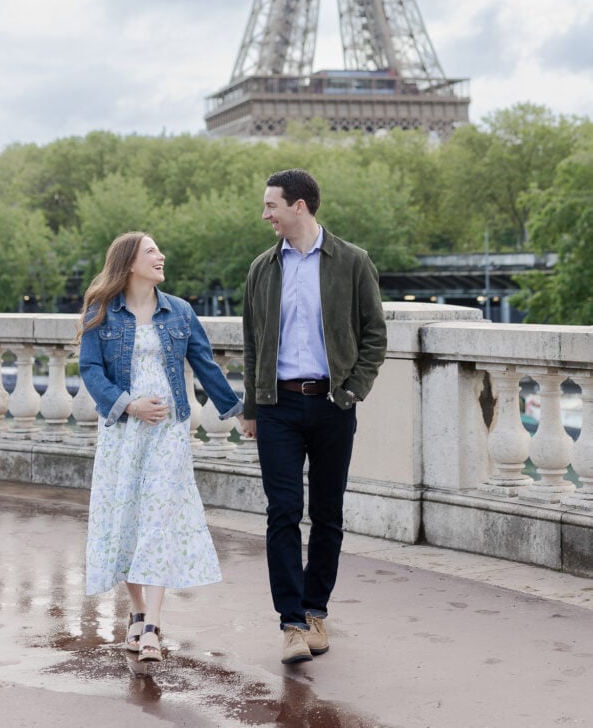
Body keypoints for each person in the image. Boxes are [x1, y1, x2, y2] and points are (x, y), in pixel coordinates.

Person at [239, 169, 387, 665]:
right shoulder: (262, 268)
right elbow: (253, 341)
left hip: (331, 405)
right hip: (278, 407)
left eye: (271, 206)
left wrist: (352, 391)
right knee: (282, 511)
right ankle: (291, 623)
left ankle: (316, 609)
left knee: (327, 514)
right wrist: (253, 407)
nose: (265, 215)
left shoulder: (352, 261)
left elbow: (374, 335)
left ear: (298, 206)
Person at [78, 230, 243, 662]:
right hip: (122, 432)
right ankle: (135, 613)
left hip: (169, 434)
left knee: (158, 519)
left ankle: (152, 624)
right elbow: (90, 370)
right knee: (127, 518)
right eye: (151, 251)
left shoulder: (181, 312)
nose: (161, 256)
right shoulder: (101, 311)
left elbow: (206, 366)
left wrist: (239, 413)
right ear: (130, 262)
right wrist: (129, 404)